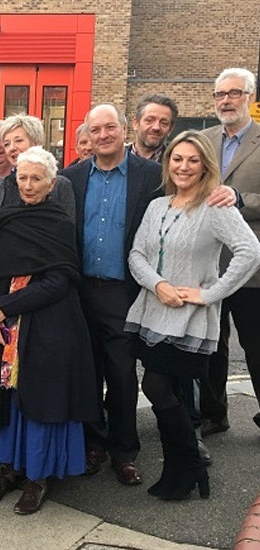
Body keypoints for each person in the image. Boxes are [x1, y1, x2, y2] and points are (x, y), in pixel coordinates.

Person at [58, 103, 236, 486]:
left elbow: (191, 189)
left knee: (123, 374)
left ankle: (124, 451)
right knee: (85, 372)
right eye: (95, 130)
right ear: (85, 135)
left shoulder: (152, 175)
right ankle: (94, 443)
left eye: (110, 127)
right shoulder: (69, 178)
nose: (102, 135)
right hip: (78, 290)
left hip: (125, 290)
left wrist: (227, 193)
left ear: (124, 129)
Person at [125, 130, 260, 500]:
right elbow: (137, 255)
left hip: (190, 321)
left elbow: (251, 252)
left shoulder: (216, 207)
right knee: (171, 394)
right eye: (177, 159)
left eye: (192, 160)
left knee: (158, 386)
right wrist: (158, 285)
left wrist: (210, 294)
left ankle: (188, 464)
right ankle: (183, 468)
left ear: (205, 166)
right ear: (168, 163)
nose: (183, 166)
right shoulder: (158, 206)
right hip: (154, 313)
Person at [0, 146, 99, 515]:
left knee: (41, 401)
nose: (28, 185)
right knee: (7, 397)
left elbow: (59, 281)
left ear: (51, 183)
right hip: (5, 323)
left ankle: (38, 477)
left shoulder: (59, 221)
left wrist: (4, 308)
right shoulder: (5, 218)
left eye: (36, 179)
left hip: (49, 325)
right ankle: (8, 469)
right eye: (22, 178)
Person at [200, 67, 260, 437]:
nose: (226, 100)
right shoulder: (203, 140)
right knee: (212, 346)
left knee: (256, 345)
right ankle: (214, 413)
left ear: (250, 97)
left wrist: (241, 199)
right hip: (209, 264)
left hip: (253, 267)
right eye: (220, 94)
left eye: (234, 93)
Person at [0, 114, 75, 220]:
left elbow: (68, 229)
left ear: (36, 143)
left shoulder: (60, 185)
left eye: (18, 141)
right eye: (7, 144)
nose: (11, 148)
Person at [129, 94, 178, 162]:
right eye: (149, 120)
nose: (156, 127)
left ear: (170, 129)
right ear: (136, 123)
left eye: (164, 123)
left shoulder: (176, 164)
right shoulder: (114, 160)